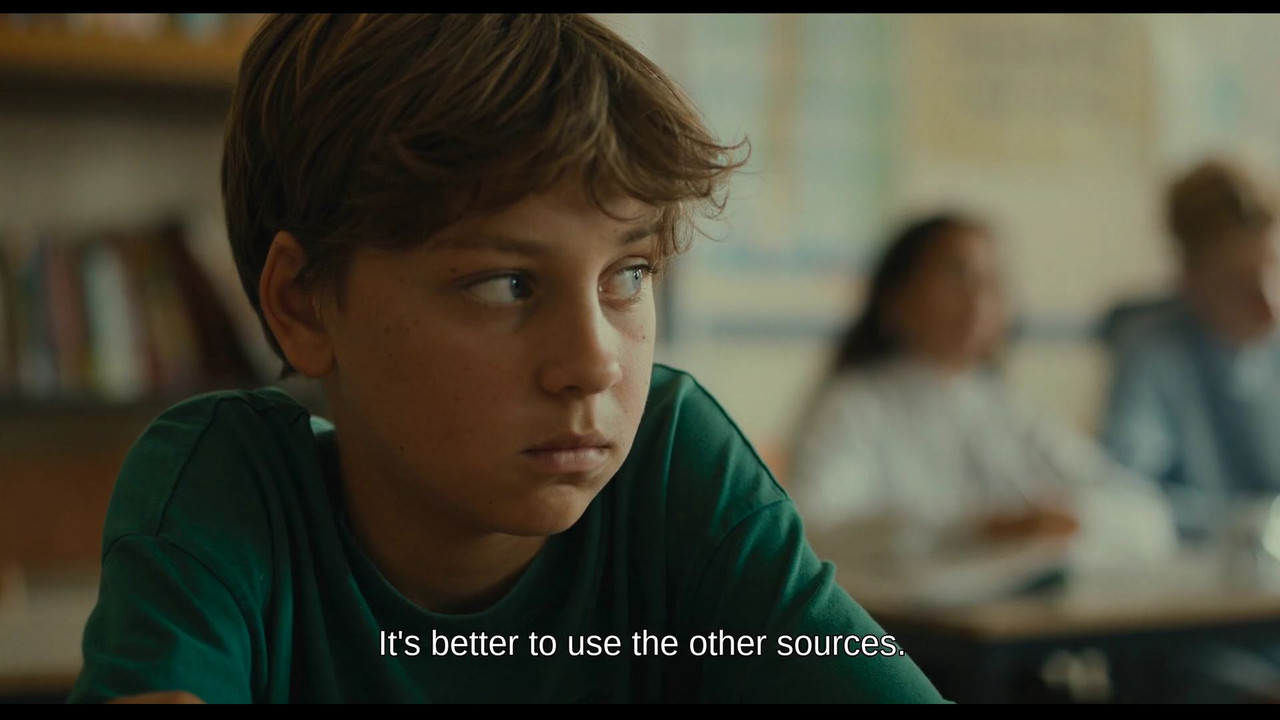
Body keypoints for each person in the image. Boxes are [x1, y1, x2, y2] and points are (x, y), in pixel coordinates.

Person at [67, 14, 944, 704]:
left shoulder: (672, 459)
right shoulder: (228, 484)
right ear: (303, 304)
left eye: (629, 275)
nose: (595, 364)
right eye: (504, 285)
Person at [787, 213, 1175, 579]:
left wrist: (1067, 518)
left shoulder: (1005, 409)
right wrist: (976, 528)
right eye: (957, 277)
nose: (978, 299)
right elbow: (813, 529)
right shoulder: (853, 406)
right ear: (896, 298)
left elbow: (1144, 514)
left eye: (993, 282)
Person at [1101, 158, 1280, 544]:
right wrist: (1253, 523)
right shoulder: (1153, 354)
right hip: (1198, 571)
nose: (1269, 306)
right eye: (1239, 283)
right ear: (1189, 280)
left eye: (1276, 270)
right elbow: (1129, 495)